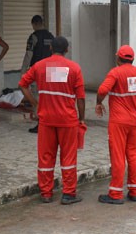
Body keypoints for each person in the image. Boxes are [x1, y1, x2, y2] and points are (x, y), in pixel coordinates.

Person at [18, 36, 86, 205]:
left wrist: (35, 104)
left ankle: (46, 193)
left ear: (50, 49)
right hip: (68, 120)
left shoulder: (40, 66)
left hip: (46, 119)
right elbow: (81, 98)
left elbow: (23, 84)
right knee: (68, 157)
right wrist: (81, 118)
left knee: (46, 156)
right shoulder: (74, 68)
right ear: (67, 50)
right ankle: (68, 194)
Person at [95, 45, 136, 204]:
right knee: (134, 156)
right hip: (135, 121)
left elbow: (102, 90)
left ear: (118, 58)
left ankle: (115, 194)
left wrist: (98, 102)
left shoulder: (115, 72)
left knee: (118, 156)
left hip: (118, 122)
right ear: (132, 59)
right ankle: (135, 191)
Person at [21, 15, 55, 134]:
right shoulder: (51, 36)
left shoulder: (33, 36)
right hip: (52, 70)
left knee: (38, 96)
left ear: (34, 24)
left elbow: (28, 55)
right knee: (50, 96)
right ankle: (51, 121)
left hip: (38, 71)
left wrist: (23, 71)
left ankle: (41, 123)